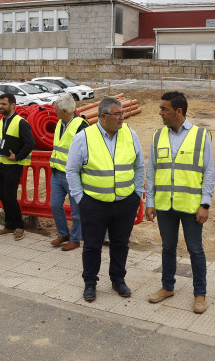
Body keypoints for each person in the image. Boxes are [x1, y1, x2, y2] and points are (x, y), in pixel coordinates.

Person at [66, 97, 145, 302]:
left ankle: (118, 279)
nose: (122, 118)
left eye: (122, 113)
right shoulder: (84, 137)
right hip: (93, 203)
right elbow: (72, 170)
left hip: (125, 202)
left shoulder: (130, 134)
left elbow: (139, 166)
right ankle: (90, 282)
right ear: (103, 116)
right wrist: (80, 199)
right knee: (92, 245)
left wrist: (137, 194)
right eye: (117, 114)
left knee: (120, 243)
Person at [145, 92, 214, 314]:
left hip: (192, 206)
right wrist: (150, 201)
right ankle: (167, 287)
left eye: (164, 109)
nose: (160, 113)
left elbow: (209, 172)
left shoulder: (201, 136)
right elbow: (151, 171)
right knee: (167, 247)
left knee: (195, 250)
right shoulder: (158, 136)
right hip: (165, 205)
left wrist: (205, 204)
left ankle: (200, 294)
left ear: (178, 111)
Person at [0, 93, 34, 240]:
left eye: (4, 104)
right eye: (0, 103)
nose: (1, 106)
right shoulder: (3, 121)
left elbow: (30, 143)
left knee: (10, 196)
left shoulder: (21, 122)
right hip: (0, 164)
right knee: (3, 196)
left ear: (13, 105)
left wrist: (17, 156)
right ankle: (9, 225)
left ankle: (19, 226)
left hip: (13, 166)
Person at [49, 94, 89, 251]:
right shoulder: (60, 123)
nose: (55, 112)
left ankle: (75, 239)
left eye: (57, 110)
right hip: (57, 173)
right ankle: (64, 234)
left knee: (76, 210)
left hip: (73, 176)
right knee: (54, 205)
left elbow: (87, 152)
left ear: (65, 110)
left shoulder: (81, 125)